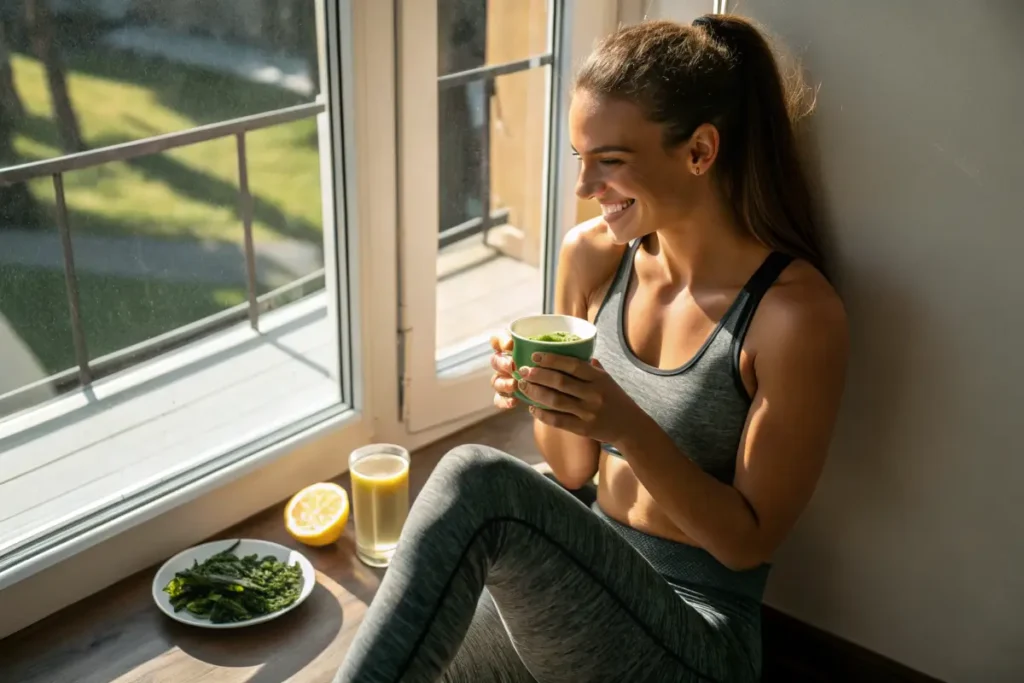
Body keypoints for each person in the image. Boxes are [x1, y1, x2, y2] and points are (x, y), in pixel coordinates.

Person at [335, 13, 848, 683]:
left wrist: (623, 423)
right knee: (421, 646)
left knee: (475, 481)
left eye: (609, 161)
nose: (583, 188)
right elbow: (574, 469)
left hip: (694, 633)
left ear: (699, 151)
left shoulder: (794, 316)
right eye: (581, 159)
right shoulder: (593, 259)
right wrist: (548, 396)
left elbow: (747, 541)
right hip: (585, 580)